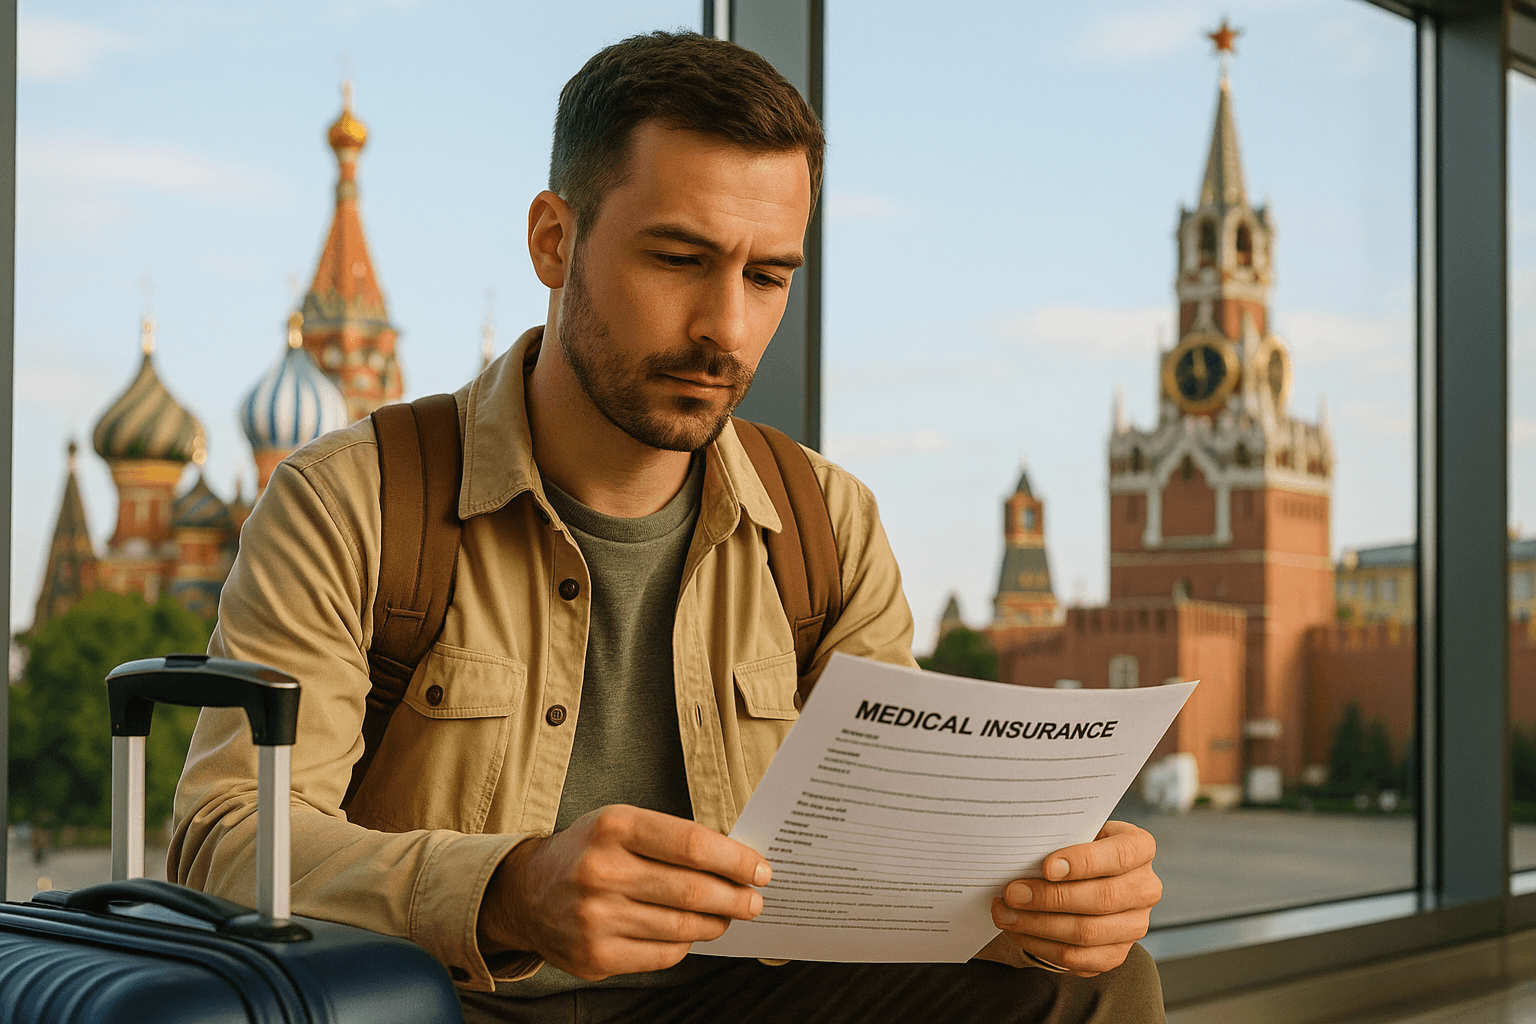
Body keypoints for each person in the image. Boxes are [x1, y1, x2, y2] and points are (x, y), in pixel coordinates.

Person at [171, 30, 1165, 1024]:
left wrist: (1045, 900)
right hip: (452, 1002)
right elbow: (224, 839)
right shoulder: (350, 499)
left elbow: (891, 861)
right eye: (681, 258)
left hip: (741, 998)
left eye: (768, 277)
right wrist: (510, 888)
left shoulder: (826, 521)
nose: (726, 328)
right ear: (553, 241)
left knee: (1090, 978)